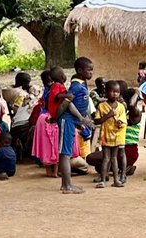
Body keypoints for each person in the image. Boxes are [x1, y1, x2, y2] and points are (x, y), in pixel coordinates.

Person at [58, 57, 95, 194]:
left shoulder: (81, 83)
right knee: (65, 154)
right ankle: (67, 186)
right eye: (89, 70)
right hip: (66, 120)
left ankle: (66, 185)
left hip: (73, 121)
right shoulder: (76, 86)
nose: (91, 73)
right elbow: (68, 102)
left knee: (66, 153)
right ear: (80, 71)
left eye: (92, 70)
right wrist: (80, 118)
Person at [93, 80, 127, 188]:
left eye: (117, 92)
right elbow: (97, 121)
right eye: (112, 91)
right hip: (105, 136)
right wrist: (108, 115)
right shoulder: (101, 106)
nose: (114, 94)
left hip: (116, 137)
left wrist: (119, 122)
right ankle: (103, 180)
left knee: (114, 158)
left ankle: (116, 180)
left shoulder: (121, 106)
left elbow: (123, 121)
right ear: (106, 92)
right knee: (106, 158)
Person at [2, 71, 37, 161]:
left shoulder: (9, 91)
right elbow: (24, 108)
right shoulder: (21, 95)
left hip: (15, 119)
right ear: (25, 83)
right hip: (23, 121)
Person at [32, 68, 61, 175]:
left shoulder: (45, 91)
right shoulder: (57, 90)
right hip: (54, 118)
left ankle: (49, 171)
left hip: (43, 119)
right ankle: (56, 171)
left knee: (46, 146)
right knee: (56, 144)